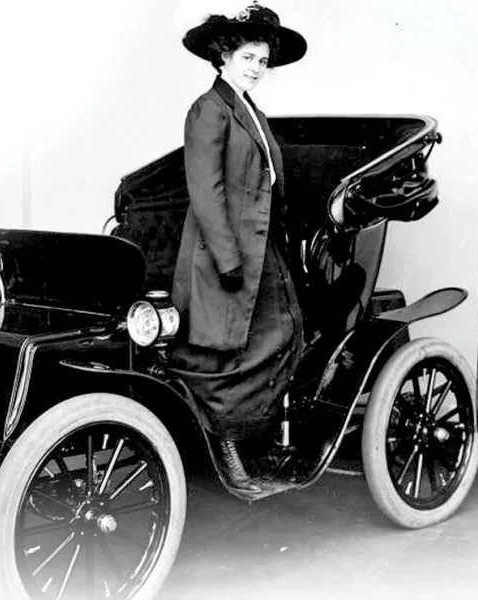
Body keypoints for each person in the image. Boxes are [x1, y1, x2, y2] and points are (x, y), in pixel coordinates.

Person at [170, 2, 307, 493]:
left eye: (263, 61)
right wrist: (229, 261)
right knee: (222, 353)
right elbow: (205, 193)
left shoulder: (250, 109)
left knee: (282, 335)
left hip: (258, 249)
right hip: (220, 254)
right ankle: (227, 450)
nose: (256, 68)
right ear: (223, 55)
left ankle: (254, 438)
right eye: (248, 57)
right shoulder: (210, 109)